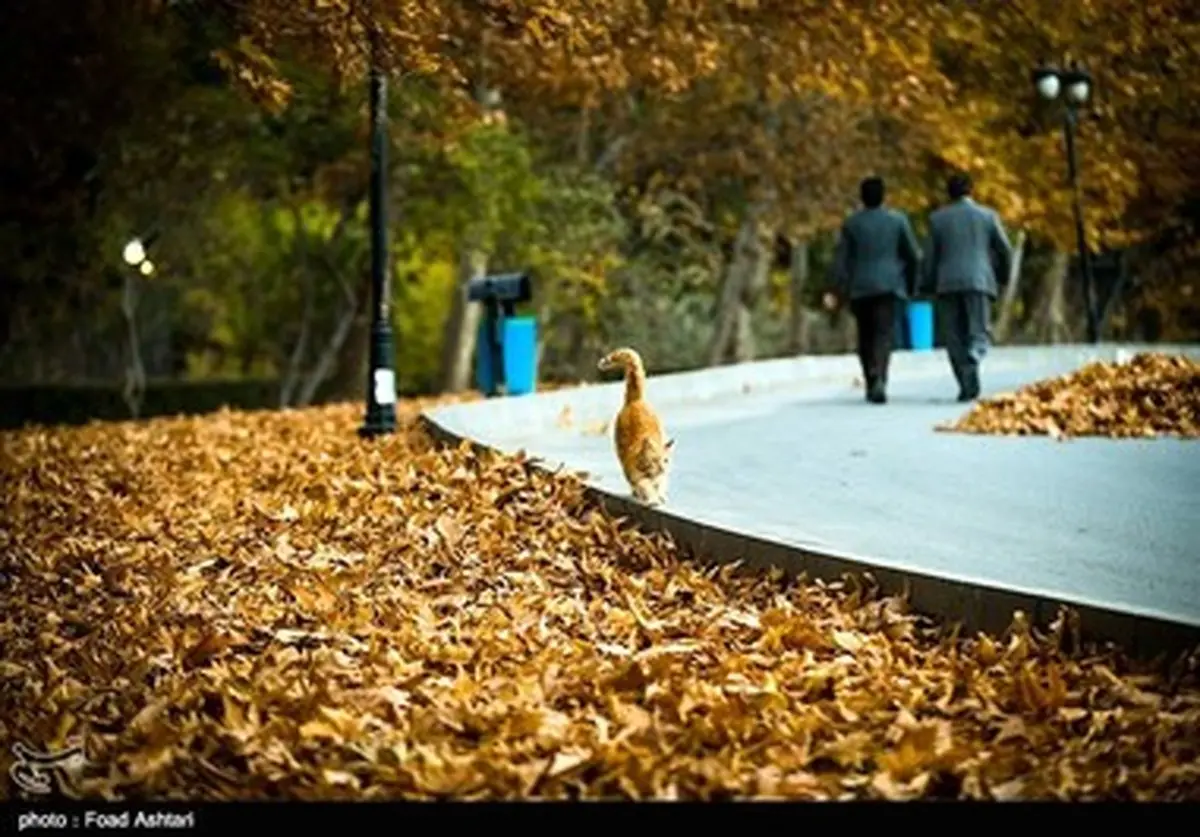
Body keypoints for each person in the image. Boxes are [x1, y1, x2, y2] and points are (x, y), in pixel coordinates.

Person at [826, 175, 921, 404]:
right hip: (889, 286)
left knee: (865, 334)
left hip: (860, 288)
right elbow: (913, 256)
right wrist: (912, 284)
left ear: (862, 197)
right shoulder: (898, 221)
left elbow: (842, 260)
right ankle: (880, 376)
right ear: (883, 196)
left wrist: (835, 289)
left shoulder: (852, 224)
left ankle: (871, 377)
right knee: (883, 334)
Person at [922, 173, 1015, 401]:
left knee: (953, 336)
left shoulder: (937, 219)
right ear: (971, 191)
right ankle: (975, 353)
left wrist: (928, 283)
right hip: (978, 280)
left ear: (949, 193)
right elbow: (1005, 249)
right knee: (978, 330)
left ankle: (966, 384)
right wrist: (1002, 276)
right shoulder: (987, 216)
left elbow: (930, 257)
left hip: (947, 283)